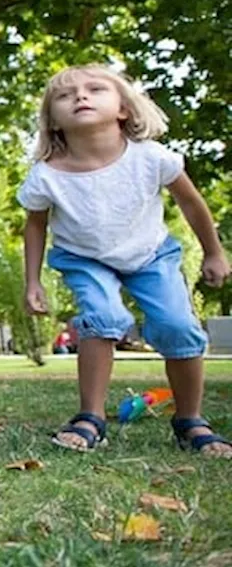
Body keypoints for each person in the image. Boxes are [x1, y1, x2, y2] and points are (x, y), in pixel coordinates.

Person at [19, 64, 231, 456]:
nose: (81, 97)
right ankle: (91, 417)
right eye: (66, 96)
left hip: (150, 255)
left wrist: (214, 251)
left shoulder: (151, 157)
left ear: (123, 109)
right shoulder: (47, 175)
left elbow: (191, 202)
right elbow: (35, 227)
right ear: (53, 121)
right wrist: (32, 282)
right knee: (103, 318)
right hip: (84, 258)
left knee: (178, 326)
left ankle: (190, 420)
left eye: (95, 89)